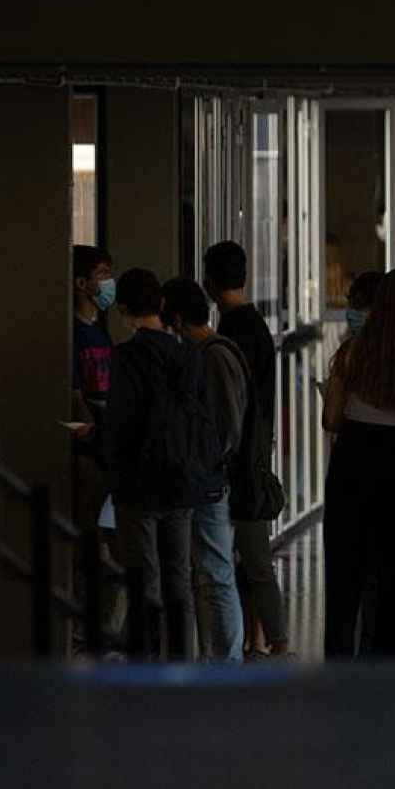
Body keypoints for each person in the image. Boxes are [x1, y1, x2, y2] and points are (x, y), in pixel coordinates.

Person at [106, 269, 243, 661]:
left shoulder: (126, 357)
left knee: (145, 580)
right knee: (179, 580)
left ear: (124, 310)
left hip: (138, 484)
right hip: (182, 482)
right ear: (161, 306)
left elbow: (121, 423)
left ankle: (147, 660)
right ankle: (182, 658)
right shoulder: (188, 356)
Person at [321, 270, 395, 658]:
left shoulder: (352, 350)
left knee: (345, 572)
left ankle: (339, 660)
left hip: (353, 458)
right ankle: (388, 664)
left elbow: (331, 419)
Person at [202, 241, 290, 658]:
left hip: (242, 458)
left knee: (253, 555)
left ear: (209, 283)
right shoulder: (256, 325)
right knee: (252, 556)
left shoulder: (232, 332)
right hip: (256, 448)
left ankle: (276, 638)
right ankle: (259, 637)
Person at [158, 276, 250, 661]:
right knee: (209, 573)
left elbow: (229, 423)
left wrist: (207, 462)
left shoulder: (214, 356)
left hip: (209, 480)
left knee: (215, 572)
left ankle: (226, 660)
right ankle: (216, 656)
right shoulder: (212, 353)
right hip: (207, 476)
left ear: (177, 319)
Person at [69, 245, 125, 651]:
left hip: (110, 447)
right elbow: (76, 394)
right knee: (92, 538)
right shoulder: (72, 334)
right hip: (90, 450)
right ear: (81, 283)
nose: (108, 283)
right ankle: (86, 623)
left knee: (113, 541)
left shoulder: (101, 330)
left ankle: (106, 624)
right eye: (102, 274)